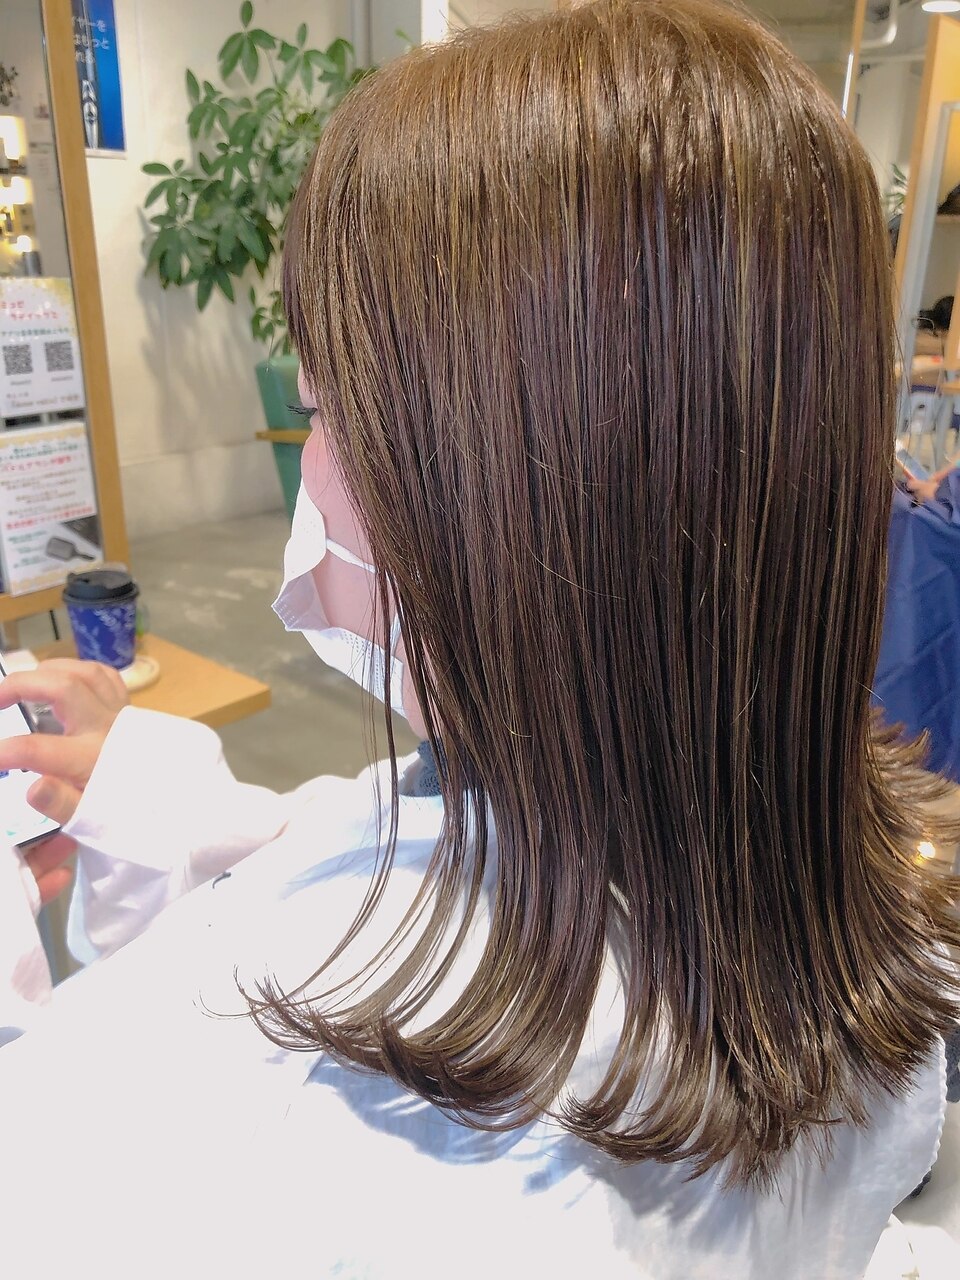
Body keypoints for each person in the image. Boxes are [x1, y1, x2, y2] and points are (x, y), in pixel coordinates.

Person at [0, 1, 958, 1275]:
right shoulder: (836, 883)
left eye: (325, 410)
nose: (312, 471)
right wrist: (188, 807)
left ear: (489, 499)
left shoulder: (369, 1156)